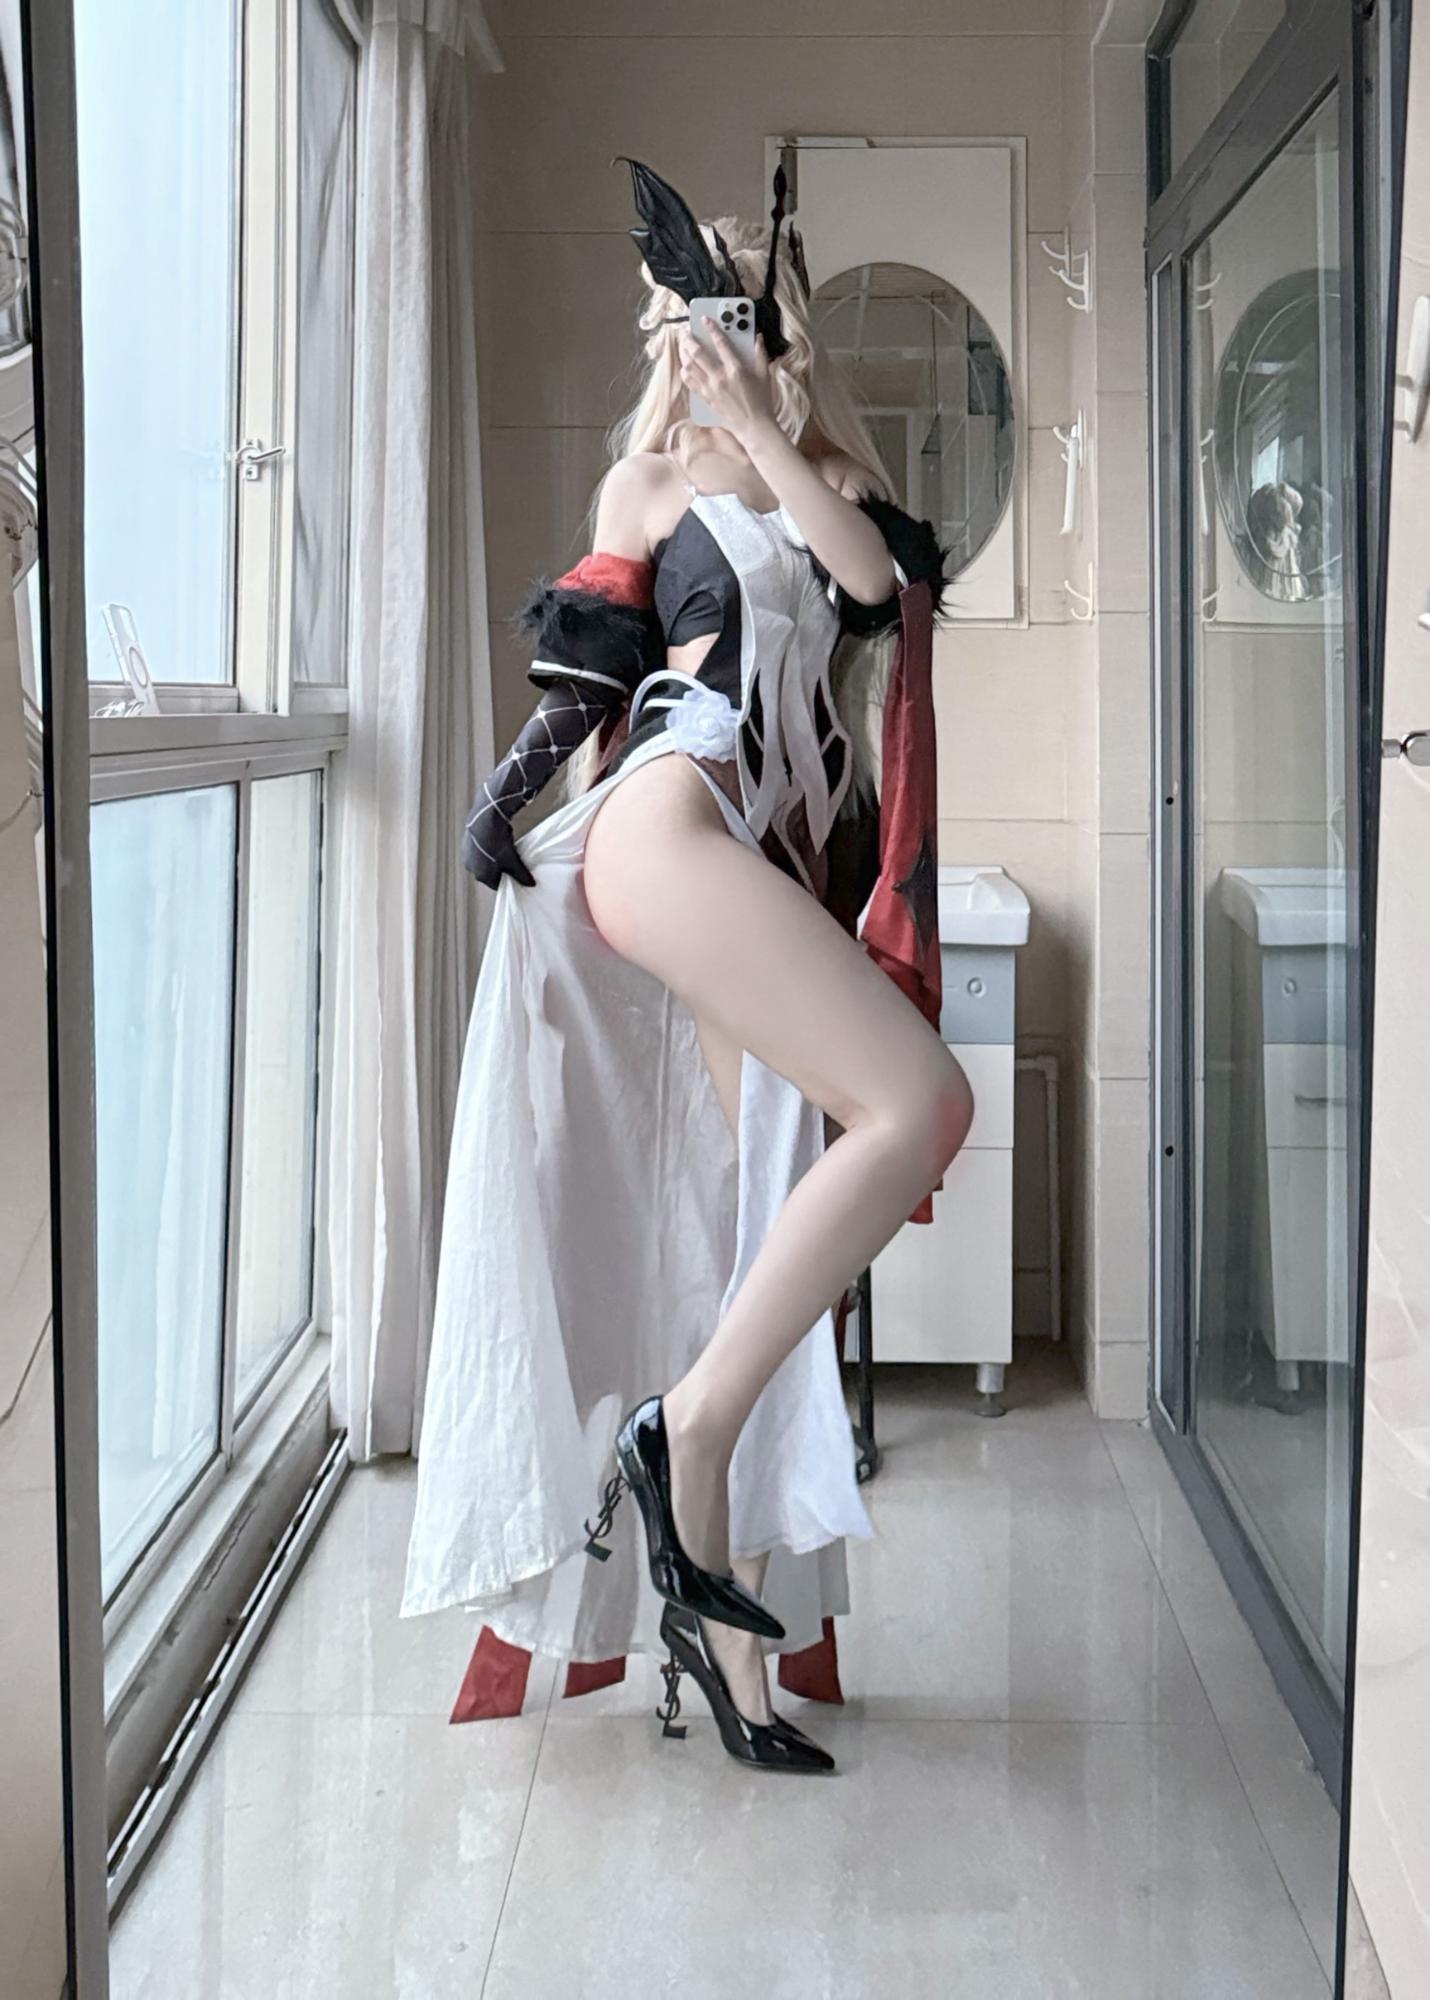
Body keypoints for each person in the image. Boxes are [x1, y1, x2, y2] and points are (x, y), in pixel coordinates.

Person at [402, 159, 972, 1775]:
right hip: (664, 822)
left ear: (769, 322)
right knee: (918, 1106)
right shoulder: (642, 488)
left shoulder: (825, 474)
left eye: (719, 310)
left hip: (743, 858)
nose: (689, 337)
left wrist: (764, 426)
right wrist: (505, 798)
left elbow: (870, 587)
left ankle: (733, 1648)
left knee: (742, 1223)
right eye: (672, 313)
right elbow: (585, 685)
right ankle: (692, 1426)